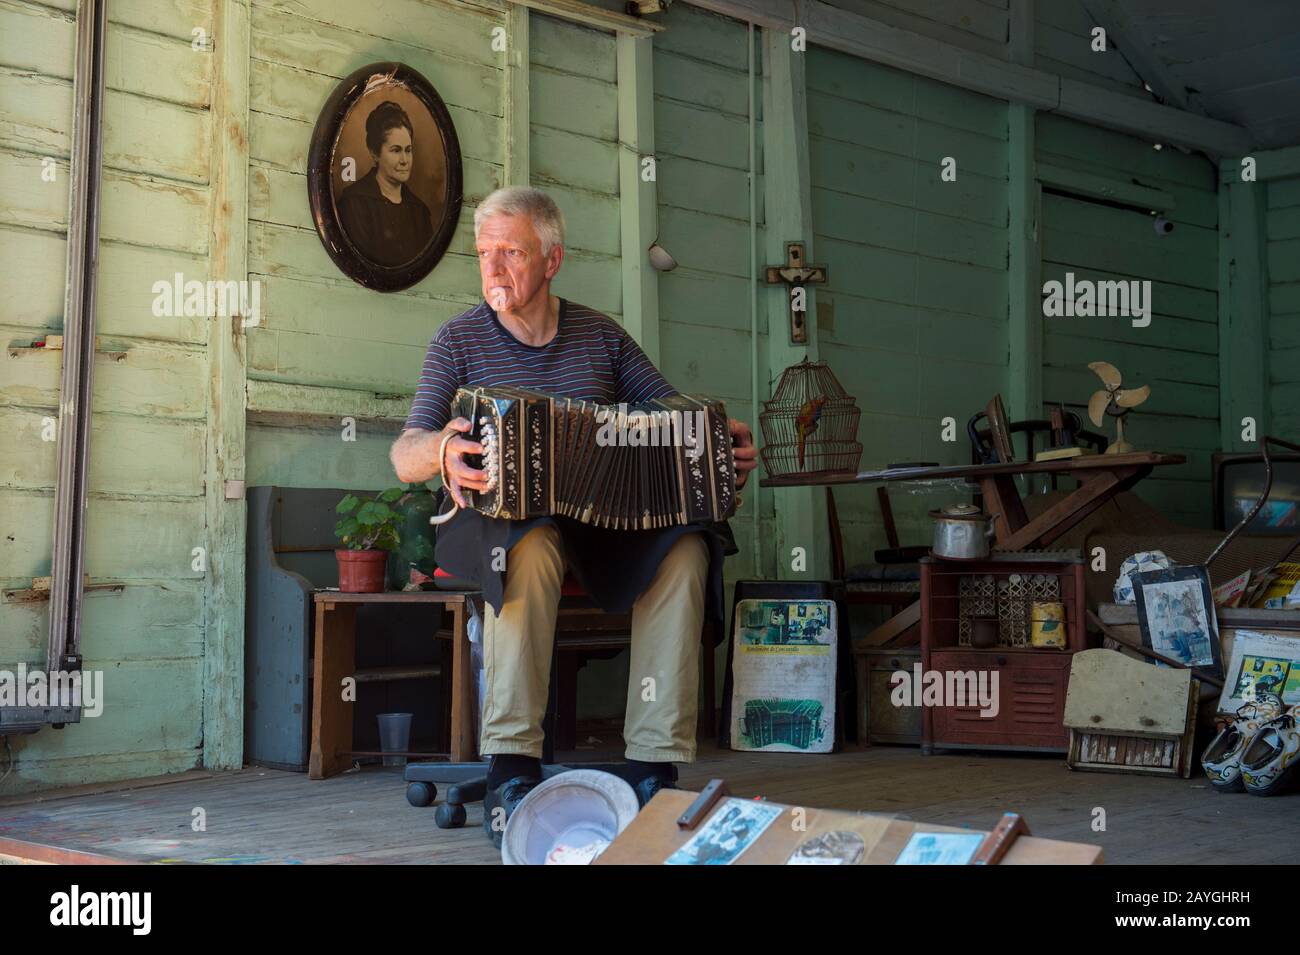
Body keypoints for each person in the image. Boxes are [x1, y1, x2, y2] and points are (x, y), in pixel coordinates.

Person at [390, 186, 758, 846]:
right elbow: (404, 451)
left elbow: (671, 416)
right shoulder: (458, 340)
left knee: (688, 546)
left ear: (552, 258)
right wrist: (442, 448)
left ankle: (653, 765)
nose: (494, 268)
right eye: (484, 253)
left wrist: (718, 441)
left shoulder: (601, 338)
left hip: (598, 525)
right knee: (528, 542)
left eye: (511, 252)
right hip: (491, 526)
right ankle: (511, 766)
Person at [336, 100, 434, 267]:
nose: (405, 160)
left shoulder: (420, 212)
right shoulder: (354, 203)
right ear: (375, 153)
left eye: (408, 150)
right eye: (396, 150)